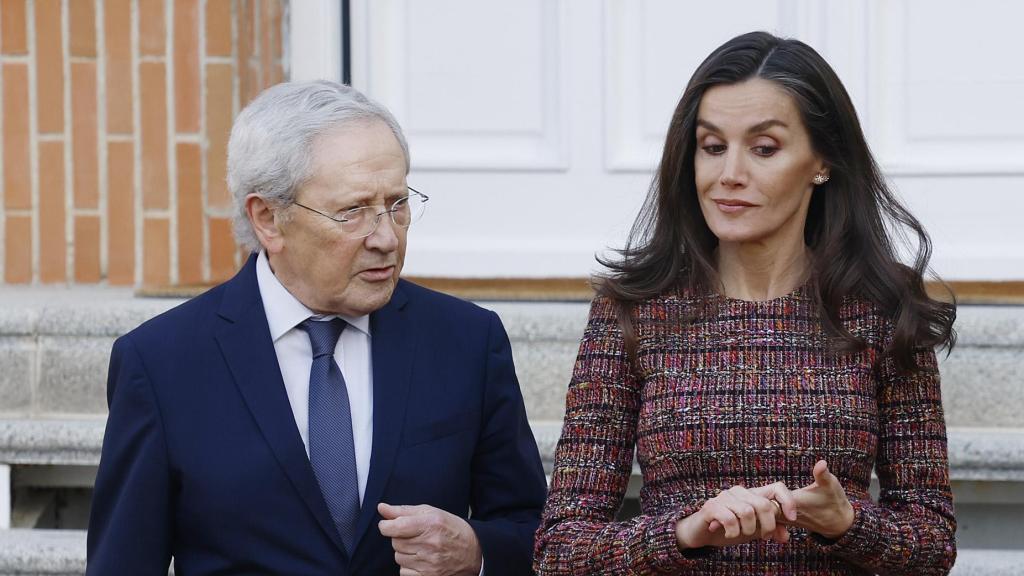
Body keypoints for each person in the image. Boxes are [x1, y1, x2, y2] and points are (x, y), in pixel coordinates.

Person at [534, 31, 957, 575]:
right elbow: (561, 549)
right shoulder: (634, 310)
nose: (729, 174)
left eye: (764, 149)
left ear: (821, 162)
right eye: (713, 147)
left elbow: (931, 544)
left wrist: (848, 523)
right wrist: (685, 532)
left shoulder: (882, 309)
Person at [87, 80, 546, 575]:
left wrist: (477, 552)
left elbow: (536, 533)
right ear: (268, 218)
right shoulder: (162, 364)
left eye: (397, 203)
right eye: (353, 212)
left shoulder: (467, 342)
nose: (386, 238)